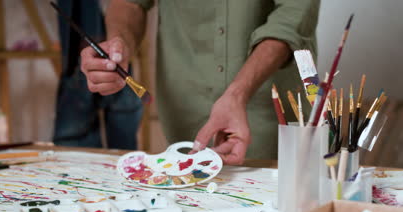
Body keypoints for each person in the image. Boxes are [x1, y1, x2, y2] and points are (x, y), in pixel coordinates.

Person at [80, 0, 320, 164]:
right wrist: (119, 44)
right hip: (186, 116)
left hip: (279, 117)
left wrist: (237, 94)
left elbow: (292, 18)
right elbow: (130, 2)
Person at [54, 0, 143, 150]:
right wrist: (120, 41)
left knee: (124, 158)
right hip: (89, 66)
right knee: (76, 156)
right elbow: (131, 4)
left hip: (118, 70)